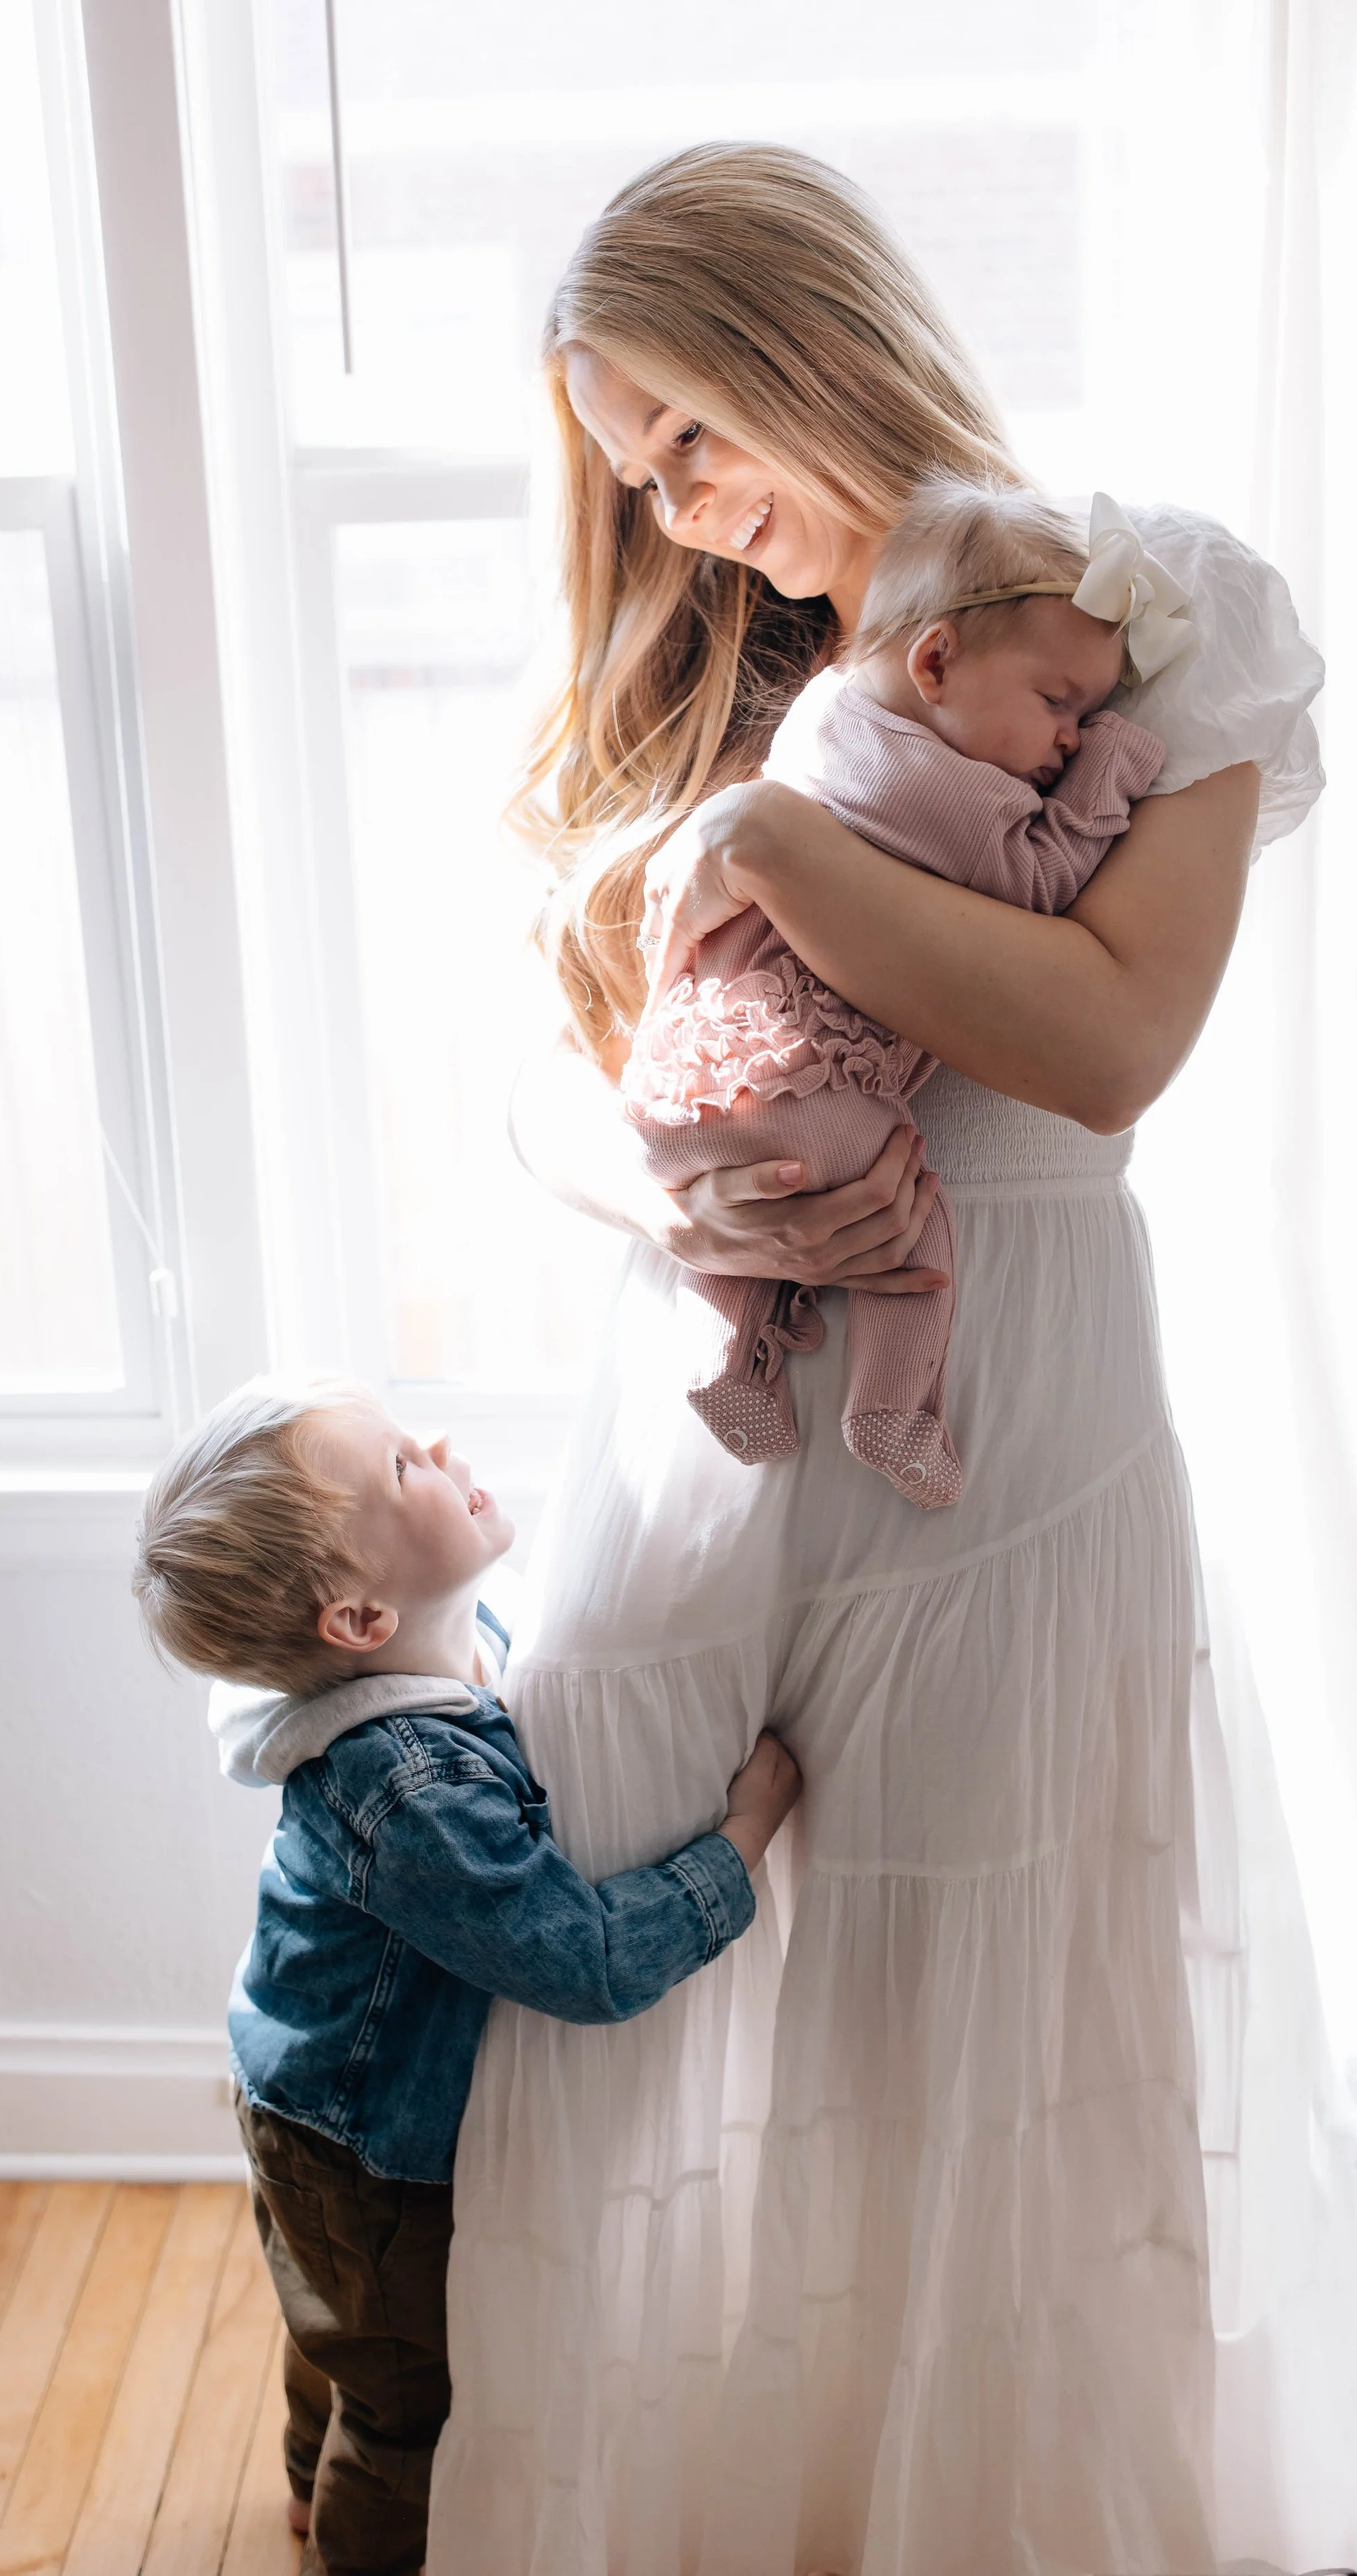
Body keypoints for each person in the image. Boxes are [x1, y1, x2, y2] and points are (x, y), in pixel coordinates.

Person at [425, 144, 1341, 2576]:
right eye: (643, 486)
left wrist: (765, 844)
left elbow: (1110, 1037)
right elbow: (553, 1067)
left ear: (796, 340)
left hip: (1015, 1401)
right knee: (626, 1939)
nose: (696, 524)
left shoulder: (1145, 604)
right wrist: (684, 1183)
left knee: (985, 2003)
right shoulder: (704, 662)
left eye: (695, 444)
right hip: (710, 1388)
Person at [131, 1376, 800, 2576]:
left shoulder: (454, 1643)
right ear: (354, 1618)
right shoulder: (407, 1792)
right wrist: (738, 1846)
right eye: (400, 1466)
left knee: (331, 2321)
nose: (437, 1443)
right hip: (361, 2147)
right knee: (402, 2398)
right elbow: (581, 1957)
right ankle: (343, 2527)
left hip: (303, 2093)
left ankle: (299, 2476)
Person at [623, 476, 1169, 1503]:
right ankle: (891, 1410)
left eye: (1088, 719)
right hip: (805, 1089)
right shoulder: (940, 790)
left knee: (758, 1227)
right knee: (907, 1217)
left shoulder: (826, 716)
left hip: (682, 1097)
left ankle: (730, 1354)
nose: (1068, 738)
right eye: (1061, 705)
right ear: (936, 662)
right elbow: (1039, 884)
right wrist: (1116, 765)